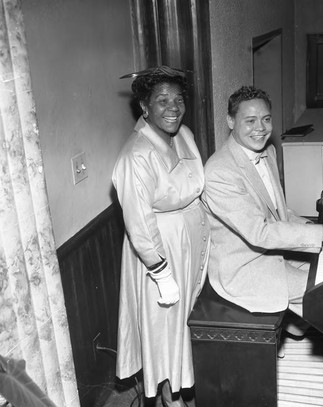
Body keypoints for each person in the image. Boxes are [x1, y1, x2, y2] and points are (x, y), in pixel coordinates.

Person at [202, 85, 323, 326]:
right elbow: (260, 233)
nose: (260, 129)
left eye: (266, 119)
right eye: (250, 121)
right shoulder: (219, 172)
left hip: (274, 251)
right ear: (231, 121)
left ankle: (301, 325)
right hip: (246, 267)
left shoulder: (268, 151)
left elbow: (280, 212)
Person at [112, 65, 209, 406]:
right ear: (144, 107)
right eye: (162, 100)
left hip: (190, 242)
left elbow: (197, 187)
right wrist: (161, 273)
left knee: (184, 321)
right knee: (163, 325)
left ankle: (181, 384)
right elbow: (139, 223)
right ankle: (170, 397)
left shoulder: (184, 134)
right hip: (161, 251)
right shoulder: (136, 155)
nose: (173, 107)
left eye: (178, 99)